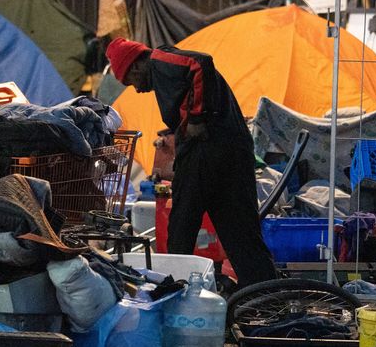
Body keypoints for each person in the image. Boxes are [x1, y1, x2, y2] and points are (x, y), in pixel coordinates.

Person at [105, 38, 277, 287]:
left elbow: (200, 62)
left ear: (135, 67)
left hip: (206, 151)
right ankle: (266, 295)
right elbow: (192, 87)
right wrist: (179, 126)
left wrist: (196, 118)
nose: (136, 88)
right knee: (240, 232)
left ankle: (175, 291)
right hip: (232, 149)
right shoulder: (166, 73)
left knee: (181, 226)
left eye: (129, 81)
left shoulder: (159, 60)